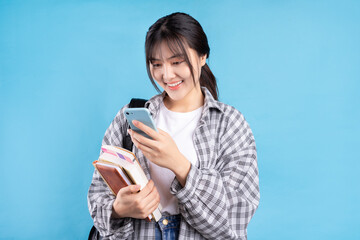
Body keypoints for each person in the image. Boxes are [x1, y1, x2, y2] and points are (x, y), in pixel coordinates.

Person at [88, 12, 260, 240]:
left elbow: (232, 222)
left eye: (177, 62)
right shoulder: (130, 116)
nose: (167, 75)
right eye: (157, 64)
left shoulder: (230, 124)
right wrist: (119, 209)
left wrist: (178, 163)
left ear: (202, 56)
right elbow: (98, 195)